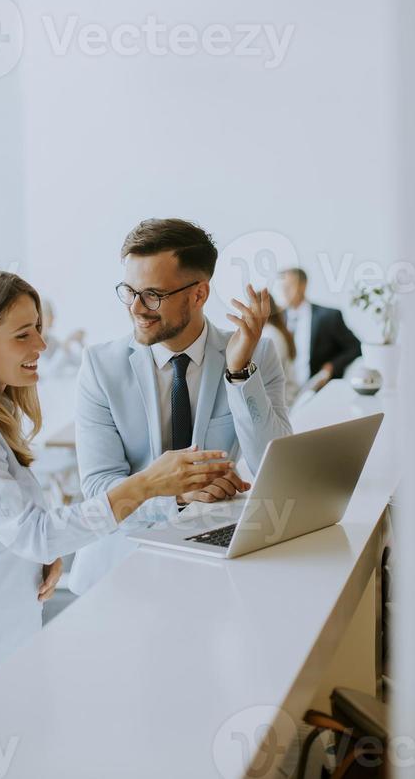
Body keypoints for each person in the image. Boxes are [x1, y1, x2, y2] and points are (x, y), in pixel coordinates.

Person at [0, 268, 231, 722]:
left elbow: (14, 532)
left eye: (39, 329)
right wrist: (145, 484)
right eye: (23, 335)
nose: (41, 346)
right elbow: (35, 534)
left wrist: (36, 556)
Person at [70, 219, 292, 595]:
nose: (137, 308)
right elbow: (97, 488)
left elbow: (274, 469)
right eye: (129, 291)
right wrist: (176, 493)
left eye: (153, 294)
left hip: (212, 565)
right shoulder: (99, 366)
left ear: (199, 294)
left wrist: (239, 374)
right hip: (117, 572)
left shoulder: (256, 354)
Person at [279, 268, 361, 394]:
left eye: (289, 286)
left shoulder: (328, 317)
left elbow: (355, 347)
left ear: (303, 285)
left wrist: (331, 367)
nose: (285, 291)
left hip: (316, 391)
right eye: (283, 287)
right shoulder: (278, 319)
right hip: (283, 393)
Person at [262, 294, 299, 408]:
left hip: (283, 401)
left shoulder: (270, 335)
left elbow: (268, 375)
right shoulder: (274, 331)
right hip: (285, 396)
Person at [39, 298, 85, 375]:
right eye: (49, 314)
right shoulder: (31, 346)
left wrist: (80, 342)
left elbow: (80, 363)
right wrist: (64, 346)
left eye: (52, 314)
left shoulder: (53, 341)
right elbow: (48, 372)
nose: (53, 318)